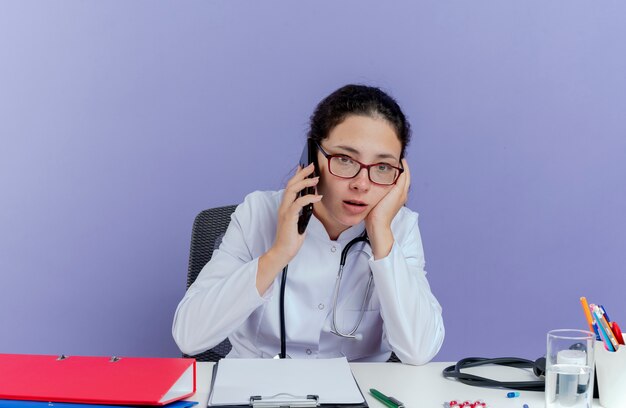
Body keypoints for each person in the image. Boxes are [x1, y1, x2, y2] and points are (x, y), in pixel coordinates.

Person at [172, 84, 444, 365]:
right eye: (345, 160)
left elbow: (419, 350)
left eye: (383, 167)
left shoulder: (399, 228)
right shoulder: (257, 213)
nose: (361, 184)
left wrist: (381, 236)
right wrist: (279, 253)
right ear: (312, 156)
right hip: (257, 388)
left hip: (359, 392)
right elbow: (189, 336)